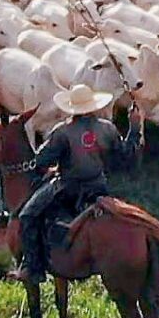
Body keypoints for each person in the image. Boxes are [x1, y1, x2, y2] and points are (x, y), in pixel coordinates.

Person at [16, 83, 134, 282]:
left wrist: (48, 167)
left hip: (68, 188)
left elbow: (41, 161)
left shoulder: (62, 132)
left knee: (27, 215)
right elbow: (125, 156)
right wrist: (135, 128)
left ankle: (32, 267)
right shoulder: (107, 128)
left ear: (71, 107)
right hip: (99, 187)